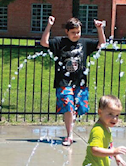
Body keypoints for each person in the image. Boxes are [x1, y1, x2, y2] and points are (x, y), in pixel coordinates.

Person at [40, 16, 106, 146]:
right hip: (63, 81)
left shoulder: (84, 43)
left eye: (78, 32)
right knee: (68, 106)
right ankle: (69, 135)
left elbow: (102, 44)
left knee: (79, 108)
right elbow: (44, 42)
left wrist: (100, 29)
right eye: (73, 32)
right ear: (67, 31)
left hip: (80, 82)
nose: (76, 35)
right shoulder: (60, 42)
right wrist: (49, 25)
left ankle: (70, 123)